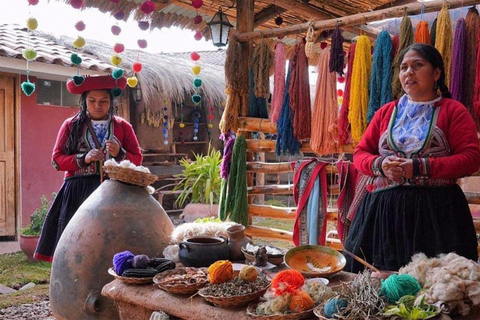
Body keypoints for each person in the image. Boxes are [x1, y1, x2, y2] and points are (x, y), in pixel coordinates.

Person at [344, 44, 480, 273]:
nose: (409, 72)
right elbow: (360, 154)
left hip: (436, 215)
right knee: (381, 285)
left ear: (436, 73)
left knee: (434, 288)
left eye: (418, 65)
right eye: (404, 67)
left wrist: (420, 167)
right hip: (383, 215)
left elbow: (471, 159)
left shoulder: (453, 111)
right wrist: (381, 164)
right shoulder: (386, 113)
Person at [34, 75, 143, 262]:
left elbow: (138, 160)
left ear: (111, 102)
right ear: (84, 101)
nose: (97, 105)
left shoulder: (123, 127)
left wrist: (120, 152)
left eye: (103, 101)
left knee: (111, 240)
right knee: (77, 243)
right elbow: (57, 160)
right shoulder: (71, 126)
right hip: (78, 192)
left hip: (113, 191)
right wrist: (83, 158)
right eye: (92, 101)